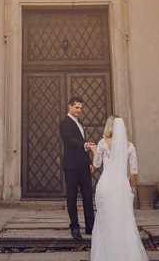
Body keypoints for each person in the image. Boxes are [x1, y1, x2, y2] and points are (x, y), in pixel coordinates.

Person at [89, 115, 148, 261]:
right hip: (121, 186)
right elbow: (134, 171)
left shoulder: (103, 143)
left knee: (105, 219)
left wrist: (94, 150)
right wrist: (127, 186)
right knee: (124, 220)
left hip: (105, 186)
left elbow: (96, 164)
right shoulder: (130, 146)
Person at [59, 95, 95, 240]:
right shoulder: (64, 122)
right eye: (76, 107)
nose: (79, 110)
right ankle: (74, 227)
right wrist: (85, 145)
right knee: (72, 196)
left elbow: (82, 142)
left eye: (80, 108)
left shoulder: (80, 123)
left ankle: (90, 227)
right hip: (71, 166)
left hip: (84, 166)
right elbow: (67, 140)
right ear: (70, 106)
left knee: (88, 196)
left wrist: (89, 162)